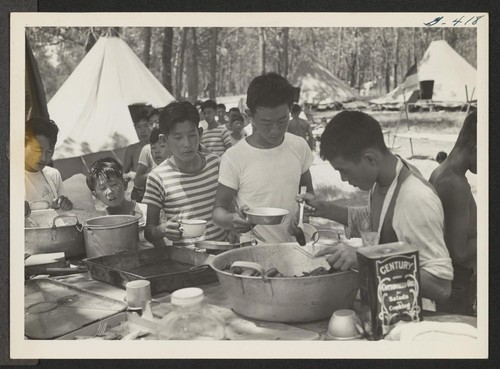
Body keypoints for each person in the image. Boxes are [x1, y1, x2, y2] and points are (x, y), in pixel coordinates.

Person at [297, 110, 453, 303]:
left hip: (410, 315)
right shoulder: (384, 178)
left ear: (370, 158)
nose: (343, 179)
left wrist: (365, 260)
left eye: (344, 170)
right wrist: (327, 209)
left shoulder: (415, 198)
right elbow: (381, 221)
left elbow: (441, 285)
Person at [212, 72, 314, 244]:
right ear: (250, 116)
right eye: (267, 123)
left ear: (290, 110)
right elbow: (218, 212)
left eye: (282, 121)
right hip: (254, 250)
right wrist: (232, 220)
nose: (275, 130)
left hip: (294, 245)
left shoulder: (298, 146)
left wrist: (303, 213)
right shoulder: (234, 156)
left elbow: (307, 192)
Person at [143, 101, 227, 247]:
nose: (186, 144)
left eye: (192, 135)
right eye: (178, 137)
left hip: (223, 255)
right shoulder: (158, 178)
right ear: (165, 140)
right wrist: (162, 230)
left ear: (200, 133)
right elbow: (149, 232)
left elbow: (229, 205)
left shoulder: (216, 164)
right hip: (186, 263)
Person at [429, 111, 477, 315]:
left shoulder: (443, 171)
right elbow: (459, 253)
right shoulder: (456, 185)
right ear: (476, 149)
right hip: (457, 287)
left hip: (456, 284)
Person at [86, 157, 154, 248]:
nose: (109, 191)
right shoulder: (100, 223)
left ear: (125, 184)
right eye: (102, 188)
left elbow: (160, 244)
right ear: (96, 195)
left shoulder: (146, 211)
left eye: (113, 184)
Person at [25, 118, 73, 211]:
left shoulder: (53, 174)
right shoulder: (10, 177)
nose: (43, 158)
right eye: (37, 150)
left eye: (49, 151)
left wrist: (64, 204)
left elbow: (61, 214)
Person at [133, 127, 172, 202]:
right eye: (153, 148)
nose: (157, 151)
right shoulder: (153, 179)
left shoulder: (181, 169)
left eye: (162, 146)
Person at [123, 104, 152, 175]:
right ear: (135, 129)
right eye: (139, 127)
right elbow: (124, 173)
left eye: (145, 125)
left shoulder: (161, 146)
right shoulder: (132, 149)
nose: (143, 131)